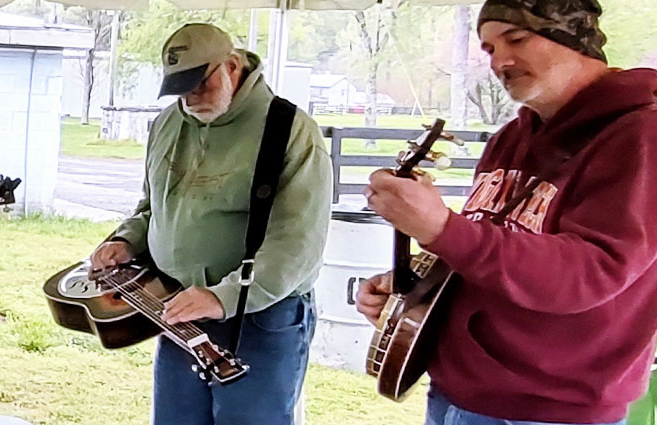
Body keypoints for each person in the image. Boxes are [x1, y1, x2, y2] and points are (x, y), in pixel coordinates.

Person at [358, 1, 657, 424]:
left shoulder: (640, 137)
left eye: (516, 39)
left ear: (573, 37)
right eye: (488, 49)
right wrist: (412, 289)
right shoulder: (510, 138)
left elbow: (592, 272)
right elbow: (494, 252)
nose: (501, 61)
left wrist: (442, 228)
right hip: (459, 391)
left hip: (551, 409)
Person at [86, 23, 332, 425]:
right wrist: (127, 240)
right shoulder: (168, 124)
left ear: (233, 65)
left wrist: (222, 297)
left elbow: (297, 245)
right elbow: (153, 206)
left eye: (201, 82)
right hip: (177, 306)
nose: (191, 96)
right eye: (180, 87)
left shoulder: (288, 130)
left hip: (261, 315)